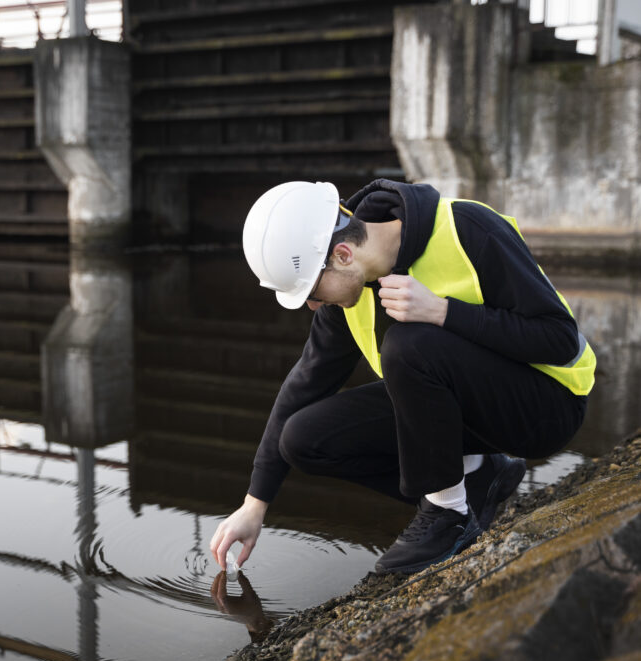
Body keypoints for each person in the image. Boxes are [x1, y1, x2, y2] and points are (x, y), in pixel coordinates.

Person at [209, 179, 595, 575]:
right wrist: (254, 504)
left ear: (342, 254)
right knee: (304, 439)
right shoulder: (350, 289)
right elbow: (305, 383)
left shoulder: (468, 228)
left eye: (311, 290)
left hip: (548, 406)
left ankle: (449, 517)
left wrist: (444, 312)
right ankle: (478, 477)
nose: (311, 305)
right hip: (474, 415)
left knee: (407, 344)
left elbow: (560, 339)